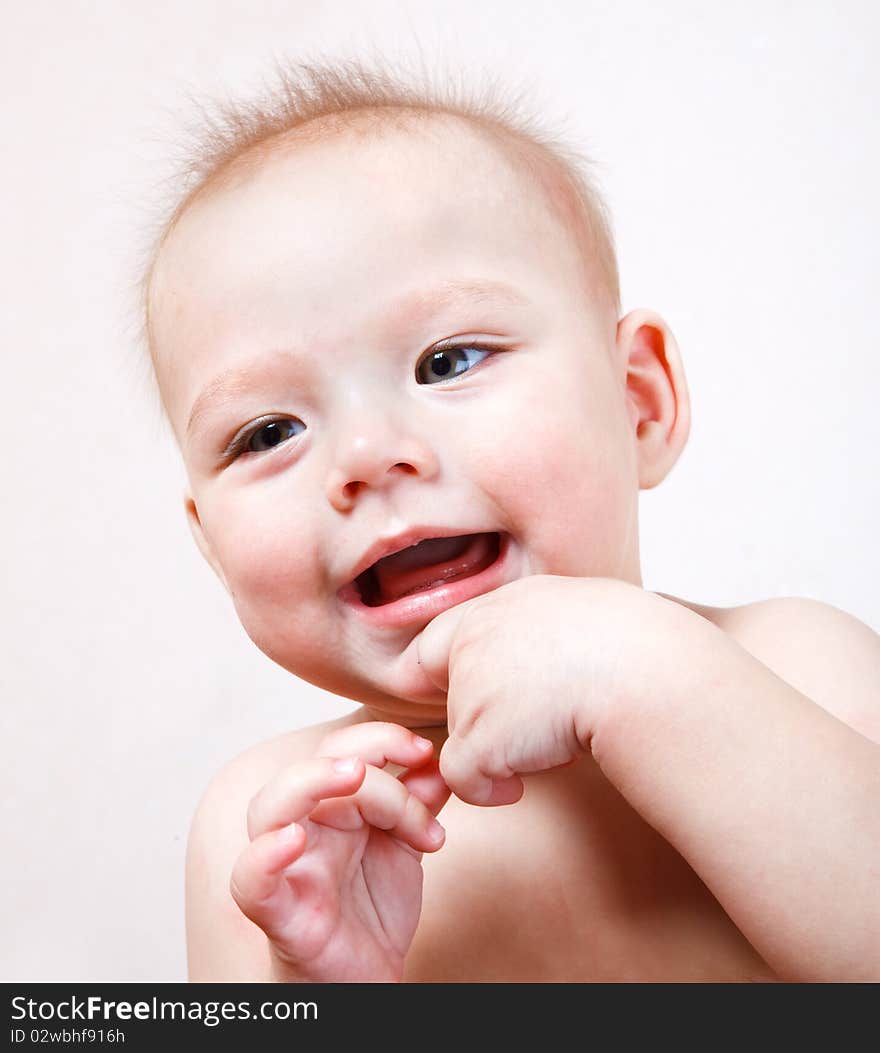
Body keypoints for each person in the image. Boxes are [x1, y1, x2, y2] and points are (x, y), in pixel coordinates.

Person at [137, 56, 880, 982]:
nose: (368, 455)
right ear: (210, 545)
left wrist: (642, 671)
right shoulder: (277, 833)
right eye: (268, 430)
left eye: (448, 360)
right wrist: (324, 986)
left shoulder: (802, 666)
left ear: (638, 403)